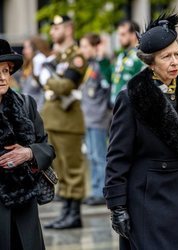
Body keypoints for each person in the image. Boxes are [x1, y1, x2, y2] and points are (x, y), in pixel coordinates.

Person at [103, 12, 178, 250]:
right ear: (151, 62)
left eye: (177, 54)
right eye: (166, 57)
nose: (175, 62)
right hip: (147, 196)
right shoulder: (133, 96)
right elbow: (117, 156)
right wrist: (117, 207)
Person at [0, 39, 55, 250]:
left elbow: (47, 148)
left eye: (5, 71)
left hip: (25, 205)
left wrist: (29, 153)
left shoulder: (26, 104)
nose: (2, 77)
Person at [41, 15, 87, 229]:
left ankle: (74, 215)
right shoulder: (57, 58)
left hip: (68, 122)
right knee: (60, 169)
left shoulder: (76, 57)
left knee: (72, 169)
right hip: (54, 120)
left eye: (56, 27)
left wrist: (46, 79)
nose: (52, 32)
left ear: (68, 30)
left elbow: (66, 86)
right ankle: (66, 212)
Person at [79, 33, 112, 206]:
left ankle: (102, 192)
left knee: (99, 156)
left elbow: (107, 88)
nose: (82, 50)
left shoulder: (101, 64)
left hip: (98, 117)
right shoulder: (90, 65)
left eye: (85, 46)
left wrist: (102, 56)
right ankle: (94, 189)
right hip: (88, 117)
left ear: (95, 47)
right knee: (91, 156)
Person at [110, 20, 144, 106]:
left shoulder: (142, 56)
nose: (119, 38)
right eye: (119, 34)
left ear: (133, 35)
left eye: (123, 34)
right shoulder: (121, 55)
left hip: (130, 106)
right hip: (116, 105)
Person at [20, 36, 51, 111]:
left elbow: (45, 91)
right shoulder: (27, 67)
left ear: (36, 49)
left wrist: (38, 114)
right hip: (27, 111)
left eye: (27, 48)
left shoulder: (41, 64)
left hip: (38, 112)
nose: (24, 51)